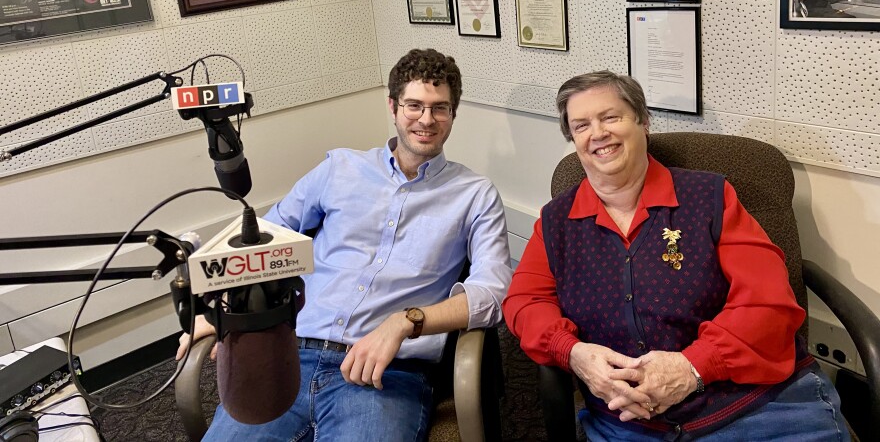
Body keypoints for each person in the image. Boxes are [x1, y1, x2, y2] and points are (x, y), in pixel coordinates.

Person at [178, 48, 513, 441]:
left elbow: (493, 294)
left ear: (453, 114)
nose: (426, 119)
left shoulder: (474, 194)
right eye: (414, 105)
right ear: (392, 106)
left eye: (440, 108)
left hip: (385, 373)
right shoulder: (340, 168)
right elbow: (262, 239)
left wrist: (405, 322)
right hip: (289, 357)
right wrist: (215, 311)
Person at [503, 71, 849, 441]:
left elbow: (769, 301)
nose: (598, 133)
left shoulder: (711, 197)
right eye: (582, 125)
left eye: (611, 117)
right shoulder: (557, 221)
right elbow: (525, 301)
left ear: (643, 121)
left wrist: (692, 367)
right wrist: (572, 353)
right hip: (629, 420)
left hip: (756, 408)